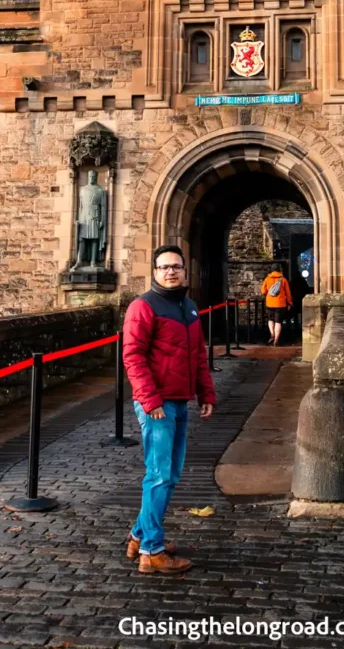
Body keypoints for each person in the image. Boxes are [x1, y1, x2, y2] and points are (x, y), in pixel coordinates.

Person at [123, 244, 216, 575]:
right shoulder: (143, 307)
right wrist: (150, 400)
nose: (171, 271)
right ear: (154, 272)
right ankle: (152, 551)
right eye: (164, 267)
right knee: (159, 474)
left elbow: (198, 355)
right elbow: (132, 356)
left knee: (170, 474)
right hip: (157, 403)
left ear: (184, 271)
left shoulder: (188, 307)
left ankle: (139, 535)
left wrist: (206, 393)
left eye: (176, 266)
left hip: (179, 399)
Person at [261, 263, 293, 346]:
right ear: (279, 270)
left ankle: (272, 333)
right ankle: (276, 340)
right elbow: (288, 293)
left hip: (270, 303)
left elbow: (263, 291)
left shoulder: (267, 279)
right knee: (278, 321)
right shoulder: (283, 280)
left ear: (271, 270)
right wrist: (289, 303)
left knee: (271, 320)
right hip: (280, 304)